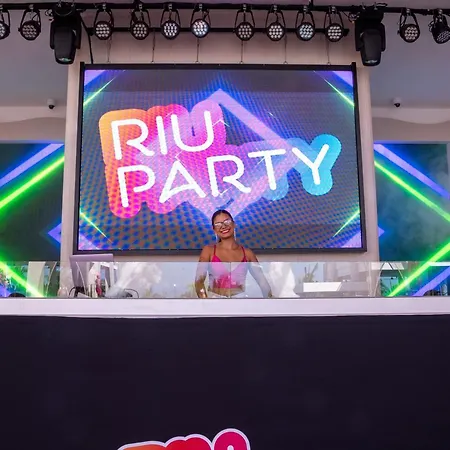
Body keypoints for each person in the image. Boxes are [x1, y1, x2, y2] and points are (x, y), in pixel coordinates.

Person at [195, 209, 273, 298]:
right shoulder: (208, 251)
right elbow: (199, 282)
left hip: (240, 302)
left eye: (227, 221)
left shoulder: (247, 253)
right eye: (218, 224)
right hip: (215, 301)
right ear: (214, 229)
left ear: (234, 224)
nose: (223, 226)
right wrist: (206, 303)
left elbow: (263, 283)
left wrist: (270, 302)